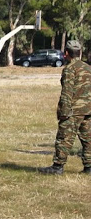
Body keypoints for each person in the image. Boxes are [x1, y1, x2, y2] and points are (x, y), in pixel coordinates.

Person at [39, 40, 91, 175]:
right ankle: (89, 167)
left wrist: (64, 111)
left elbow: (67, 92)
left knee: (64, 138)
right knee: (88, 139)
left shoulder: (69, 69)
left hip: (73, 111)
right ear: (80, 52)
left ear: (66, 53)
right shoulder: (88, 68)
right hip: (88, 110)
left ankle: (57, 166)